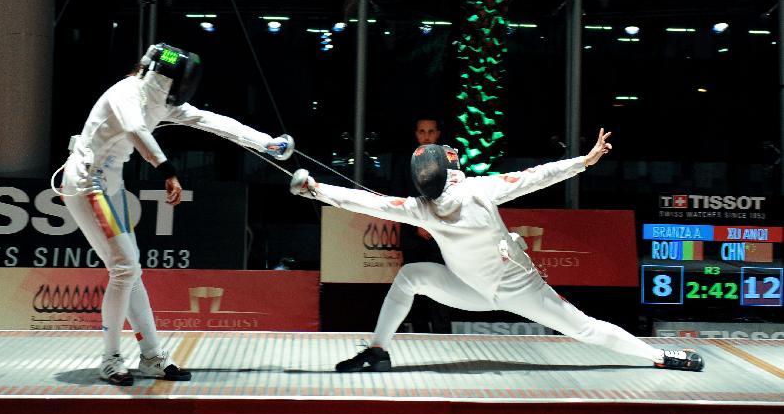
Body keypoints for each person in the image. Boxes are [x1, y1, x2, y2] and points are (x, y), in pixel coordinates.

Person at [290, 129, 704, 372]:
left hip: (475, 290)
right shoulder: (479, 190)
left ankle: (378, 350)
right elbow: (536, 177)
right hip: (513, 287)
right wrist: (584, 161)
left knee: (411, 277)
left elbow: (366, 202)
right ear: (450, 169)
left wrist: (313, 189)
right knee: (586, 329)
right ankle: (660, 356)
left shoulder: (423, 209)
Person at [59, 43, 293, 385]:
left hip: (111, 184)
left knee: (129, 270)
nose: (181, 92)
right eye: (178, 83)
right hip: (86, 183)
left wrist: (265, 143)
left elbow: (210, 121)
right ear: (161, 78)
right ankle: (110, 359)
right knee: (125, 267)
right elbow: (136, 131)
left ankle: (152, 357)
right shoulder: (125, 94)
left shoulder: (158, 101)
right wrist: (167, 169)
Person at [391, 117, 452, 333]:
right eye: (422, 131)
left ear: (438, 134)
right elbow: (398, 199)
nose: (426, 136)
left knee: (442, 286)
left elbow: (453, 197)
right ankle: (418, 335)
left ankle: (443, 336)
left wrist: (433, 225)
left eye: (431, 131)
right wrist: (416, 225)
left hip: (440, 236)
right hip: (412, 234)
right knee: (414, 288)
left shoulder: (448, 163)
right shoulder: (404, 162)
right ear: (416, 134)